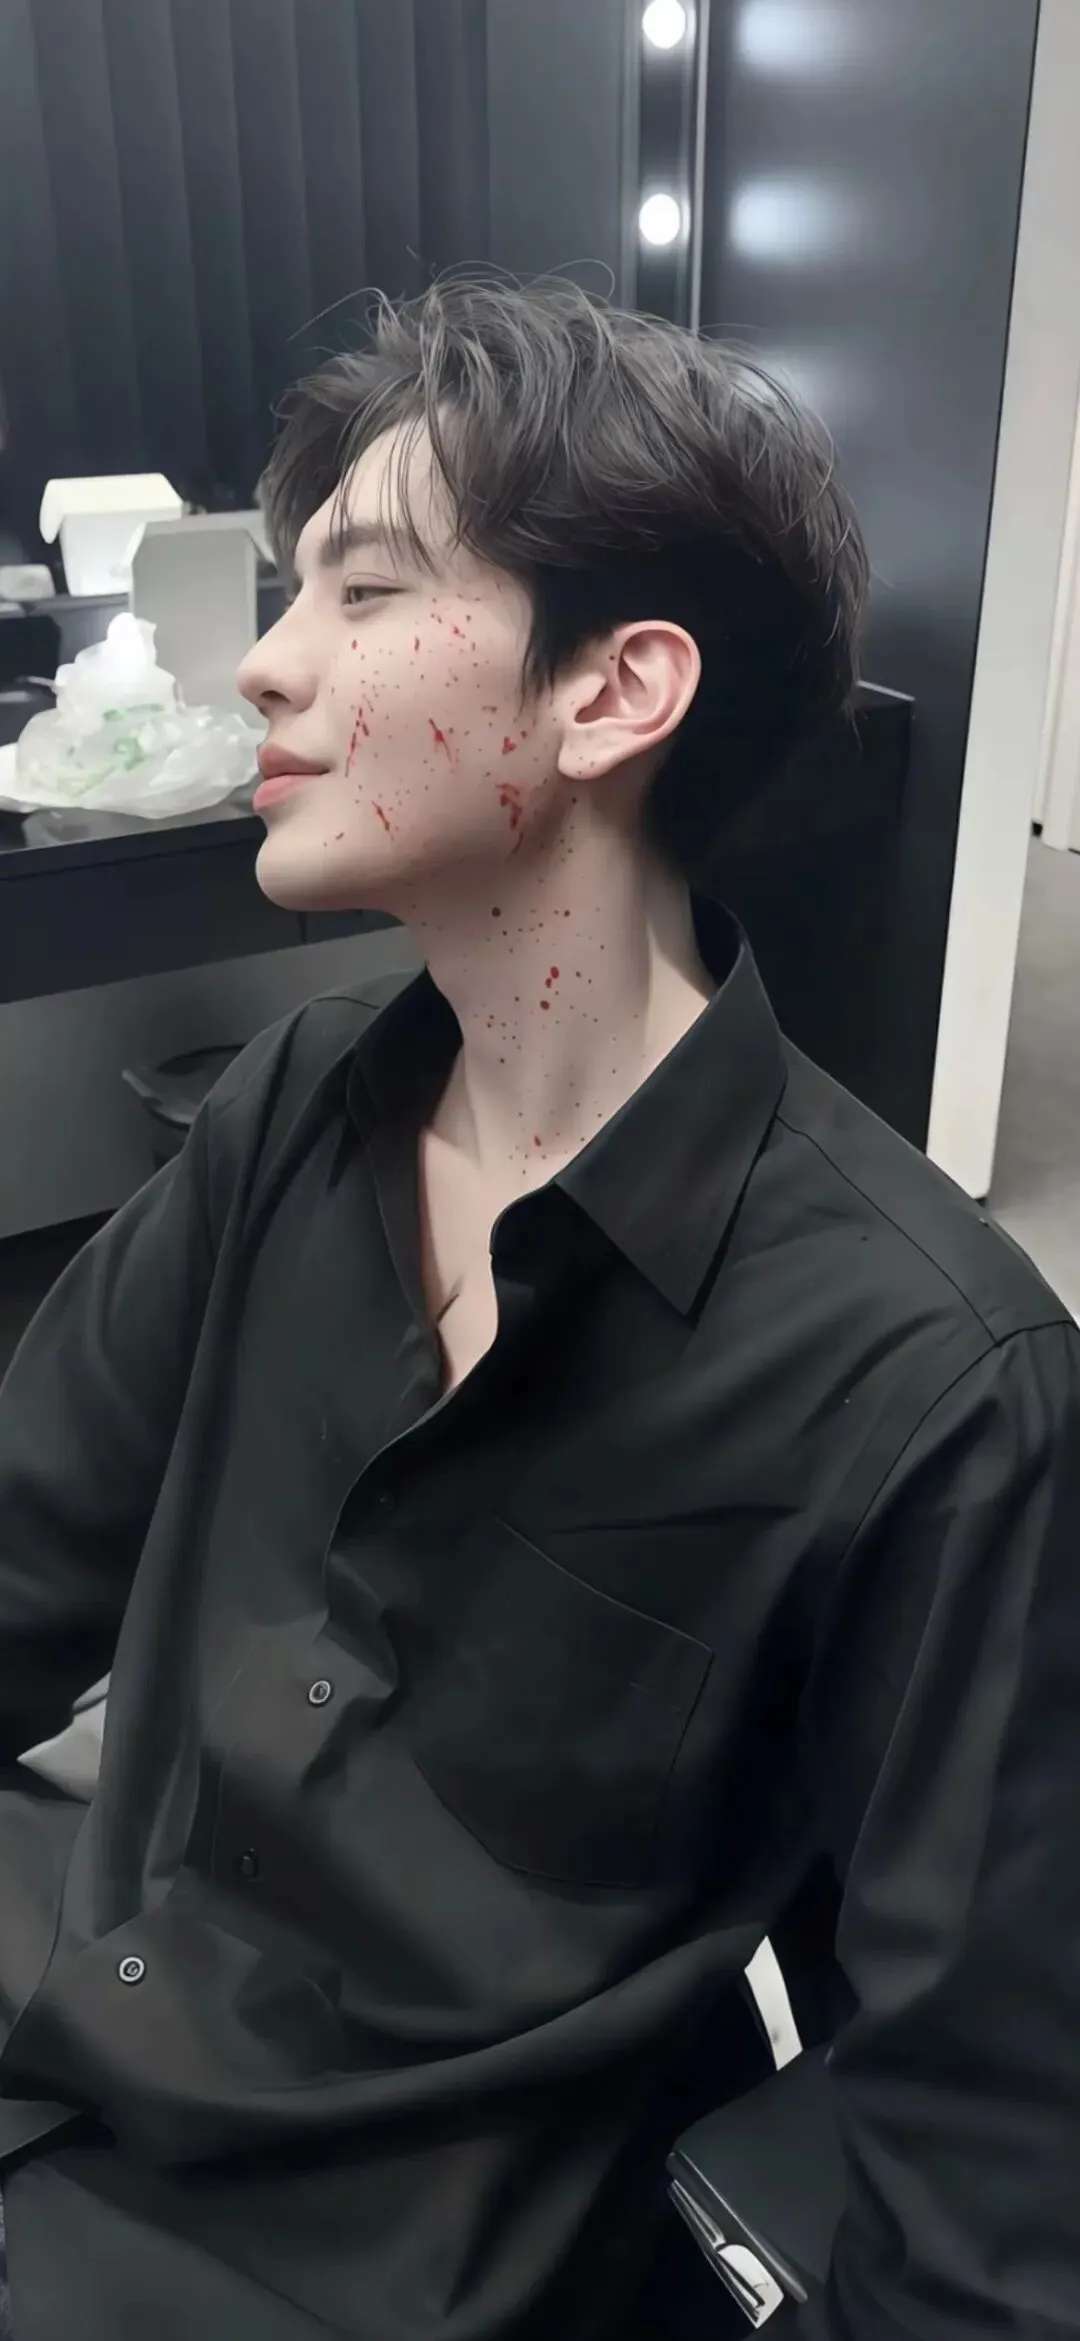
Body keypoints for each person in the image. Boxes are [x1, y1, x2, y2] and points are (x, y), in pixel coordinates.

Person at [1, 279, 1078, 2341]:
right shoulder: (290, 1116)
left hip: (367, 2260)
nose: (269, 663)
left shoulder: (939, 1388)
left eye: (364, 591)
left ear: (611, 693)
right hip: (77, 2037)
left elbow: (985, 2168)